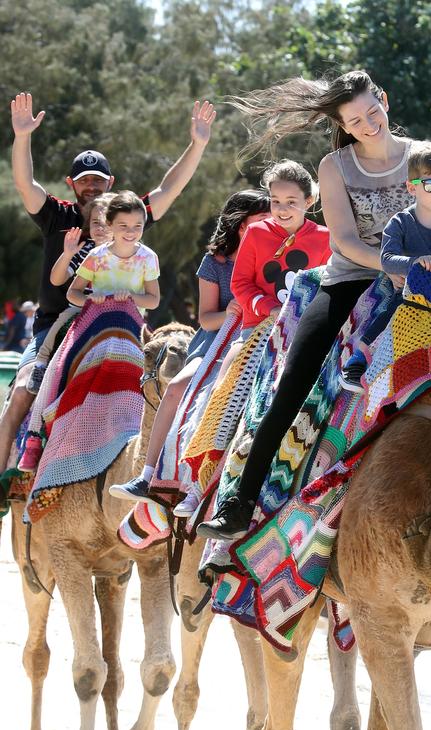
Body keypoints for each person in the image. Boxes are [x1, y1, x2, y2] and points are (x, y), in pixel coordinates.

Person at [198, 69, 414, 540]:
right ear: (344, 124)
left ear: (385, 99)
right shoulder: (335, 166)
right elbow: (345, 240)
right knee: (293, 379)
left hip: (417, 281)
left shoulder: (424, 157)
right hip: (351, 278)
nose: (368, 124)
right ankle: (241, 500)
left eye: (372, 112)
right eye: (355, 120)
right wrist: (392, 265)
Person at [0, 91, 215, 478]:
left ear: (110, 183)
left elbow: (170, 190)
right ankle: (5, 478)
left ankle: (163, 475)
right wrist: (23, 136)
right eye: (84, 182)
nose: (92, 188)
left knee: (167, 380)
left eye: (99, 181)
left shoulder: (126, 220)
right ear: (72, 184)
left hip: (121, 322)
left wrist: (197, 144)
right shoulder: (57, 216)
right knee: (19, 394)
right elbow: (23, 183)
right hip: (58, 323)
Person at [107, 188, 271, 507]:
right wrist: (234, 310)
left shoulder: (276, 256)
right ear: (242, 225)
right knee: (177, 387)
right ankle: (149, 475)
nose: (272, 223)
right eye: (262, 218)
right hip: (217, 341)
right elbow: (207, 319)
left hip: (261, 338)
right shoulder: (216, 262)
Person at [340, 140, 431, 391]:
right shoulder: (400, 222)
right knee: (394, 309)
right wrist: (415, 263)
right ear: (412, 188)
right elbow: (387, 259)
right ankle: (359, 358)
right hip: (410, 292)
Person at [214, 159, 330, 390]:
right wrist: (271, 309)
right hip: (255, 328)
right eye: (275, 201)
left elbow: (326, 289)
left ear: (308, 201)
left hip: (303, 332)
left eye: (291, 202)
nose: (281, 209)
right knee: (224, 392)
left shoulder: (325, 238)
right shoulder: (256, 232)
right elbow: (240, 283)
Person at [26, 195, 112, 396]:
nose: (100, 228)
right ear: (88, 225)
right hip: (84, 307)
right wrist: (67, 254)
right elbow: (57, 279)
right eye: (95, 223)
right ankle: (41, 363)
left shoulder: (127, 254)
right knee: (63, 319)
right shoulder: (87, 250)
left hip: (116, 308)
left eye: (107, 223)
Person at [66, 191, 160, 313]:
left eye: (137, 226)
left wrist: (131, 297)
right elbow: (72, 293)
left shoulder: (148, 257)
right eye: (123, 225)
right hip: (97, 320)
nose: (130, 232)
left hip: (133, 325)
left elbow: (153, 301)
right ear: (109, 224)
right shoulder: (96, 256)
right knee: (69, 333)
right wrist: (90, 299)